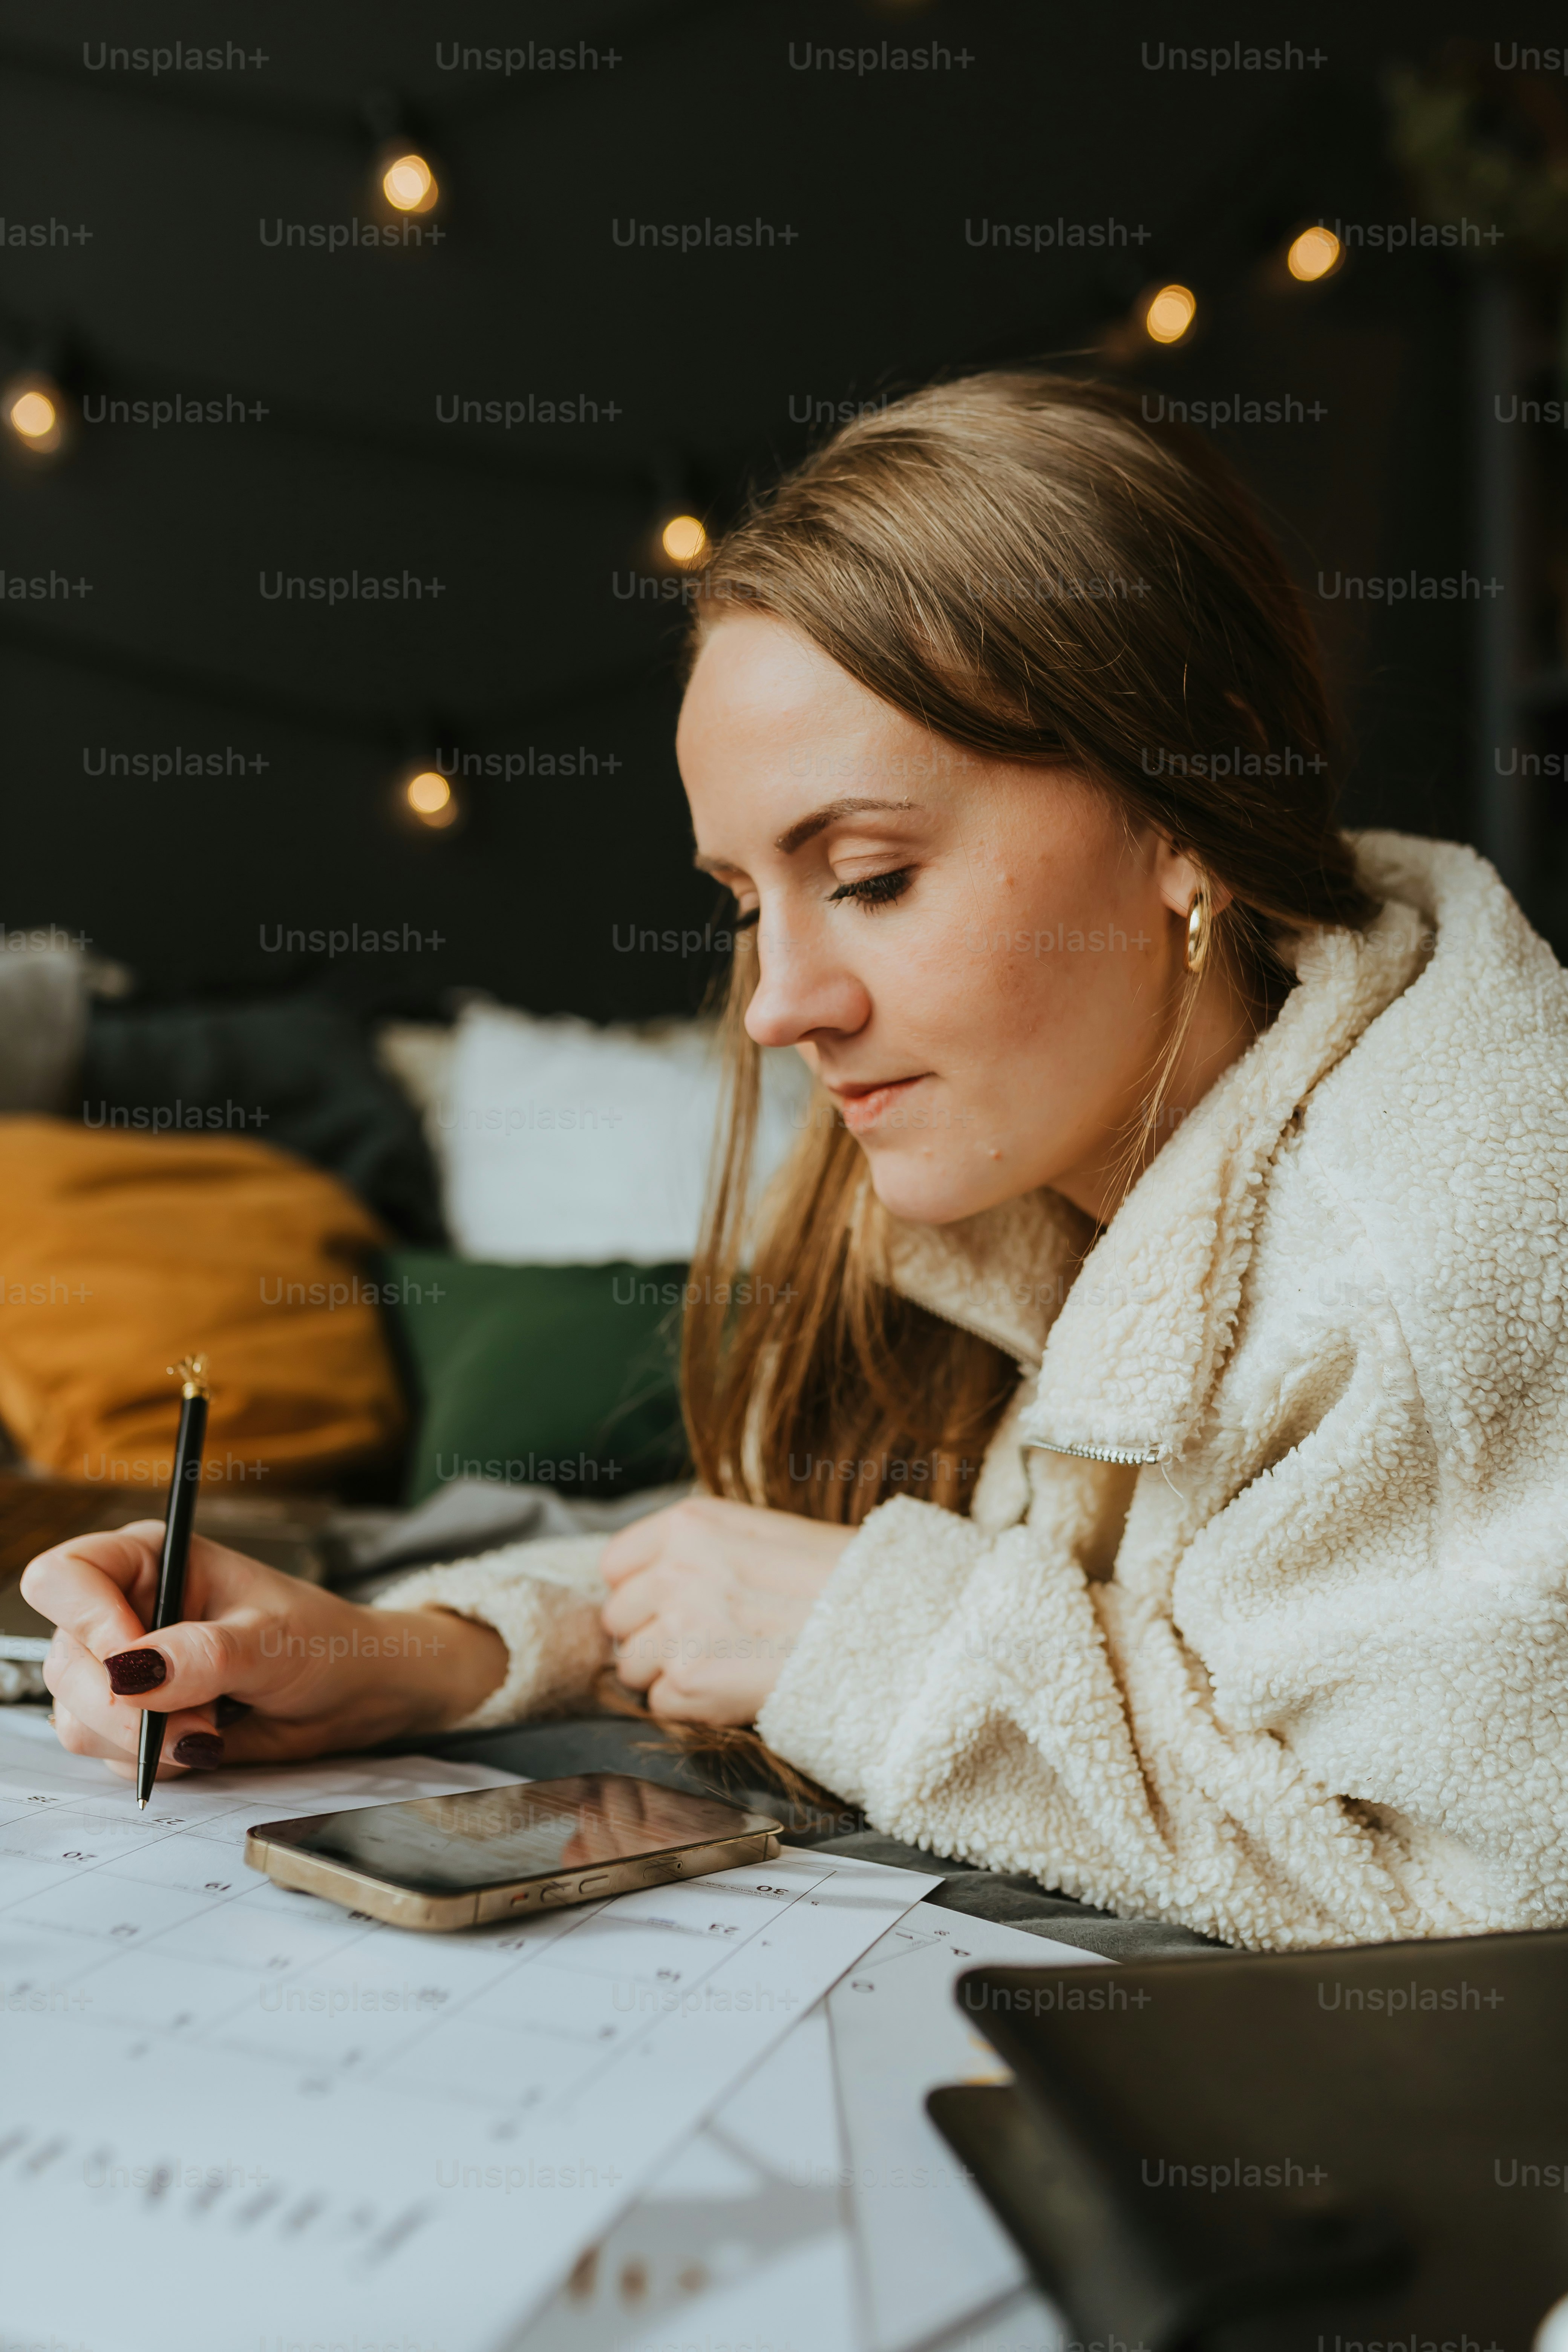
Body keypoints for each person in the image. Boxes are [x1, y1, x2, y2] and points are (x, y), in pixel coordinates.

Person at [23, 374, 1568, 1952]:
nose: (775, 1008)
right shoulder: (1029, 1146)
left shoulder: (1435, 1253)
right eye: (747, 902)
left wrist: (879, 1642)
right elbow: (766, 1563)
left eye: (873, 878)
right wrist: (419, 1652)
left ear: (1191, 800)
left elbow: (1491, 1914)